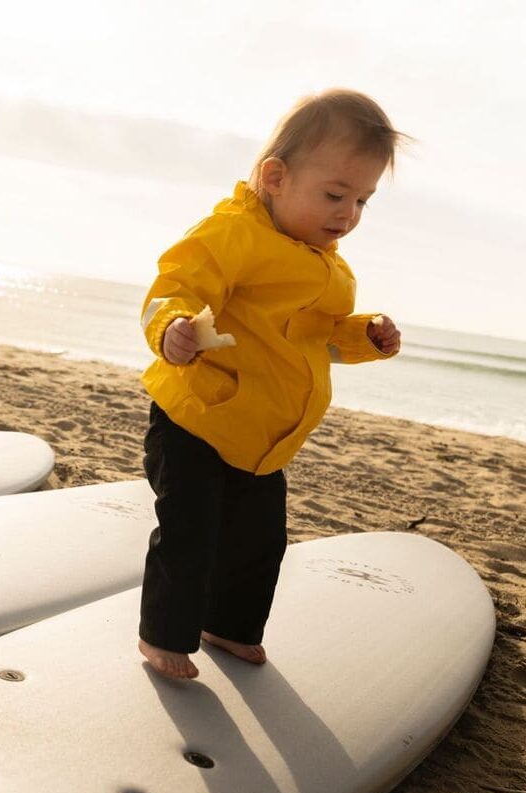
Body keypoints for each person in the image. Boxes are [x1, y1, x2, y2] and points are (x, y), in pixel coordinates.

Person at [138, 89, 404, 680]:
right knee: (191, 531)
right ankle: (163, 637)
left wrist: (366, 336)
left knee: (259, 541)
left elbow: (323, 336)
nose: (348, 214)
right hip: (199, 417)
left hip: (263, 439)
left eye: (362, 200)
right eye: (335, 195)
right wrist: (171, 327)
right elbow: (176, 284)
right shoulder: (233, 232)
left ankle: (228, 627)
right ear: (276, 177)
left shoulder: (330, 267)